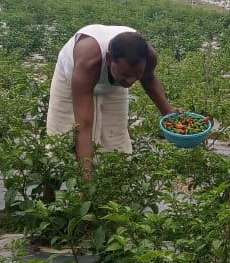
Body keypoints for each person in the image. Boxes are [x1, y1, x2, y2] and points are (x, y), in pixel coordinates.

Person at [46, 25, 180, 173]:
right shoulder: (88, 62)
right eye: (125, 75)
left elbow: (148, 78)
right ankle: (50, 194)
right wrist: (86, 183)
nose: (130, 81)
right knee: (59, 149)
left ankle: (112, 192)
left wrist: (168, 112)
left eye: (136, 75)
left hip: (113, 85)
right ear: (109, 59)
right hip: (71, 81)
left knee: (116, 146)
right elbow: (83, 126)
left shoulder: (148, 57)